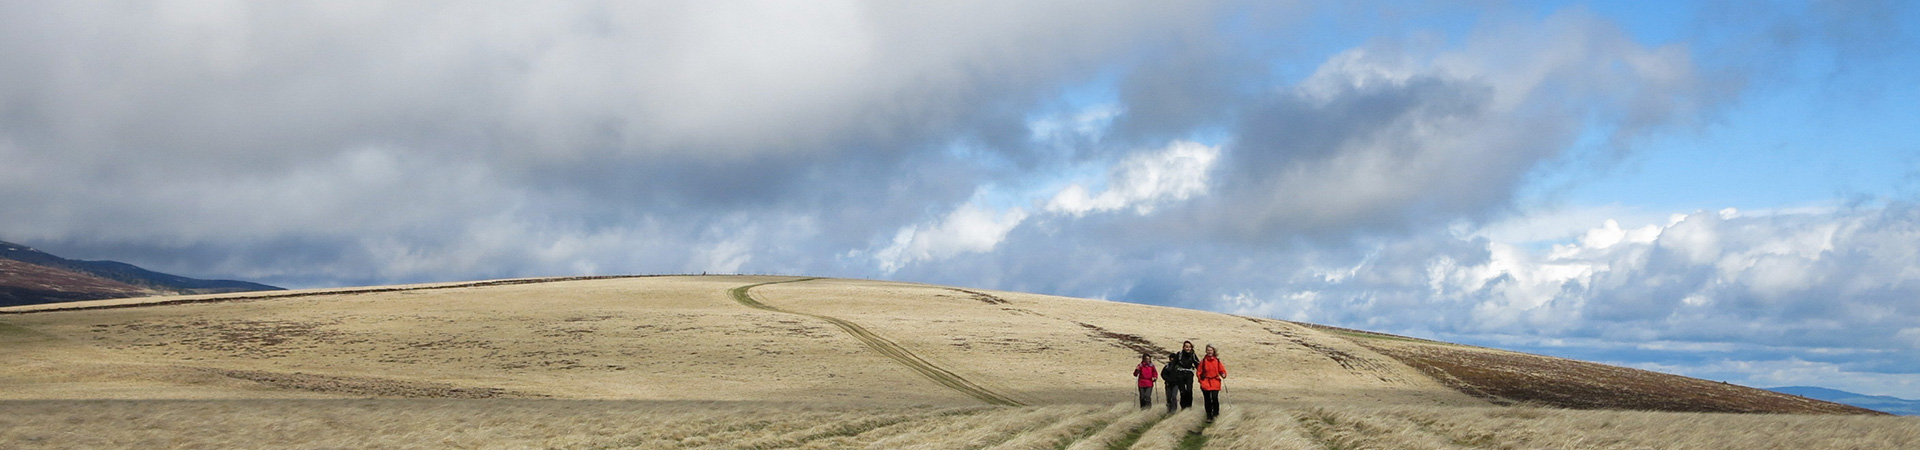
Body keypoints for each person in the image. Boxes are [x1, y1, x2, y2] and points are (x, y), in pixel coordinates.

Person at [1165, 341, 1199, 412]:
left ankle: (1189, 407)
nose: (1188, 348)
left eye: (1189, 347)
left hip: (1189, 374)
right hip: (1180, 375)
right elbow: (1173, 364)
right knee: (1182, 392)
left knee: (1189, 391)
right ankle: (1183, 408)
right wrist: (1170, 373)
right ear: (1183, 347)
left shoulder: (1193, 355)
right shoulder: (1179, 354)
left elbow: (1197, 364)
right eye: (1186, 347)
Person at [1198, 344, 1227, 421]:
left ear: (1214, 351)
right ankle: (1209, 415)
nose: (1209, 352)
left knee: (1214, 398)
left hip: (1215, 382)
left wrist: (1223, 374)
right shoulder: (1203, 361)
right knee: (1207, 399)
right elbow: (1199, 372)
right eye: (1208, 350)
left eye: (1211, 350)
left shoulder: (1217, 361)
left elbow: (1222, 370)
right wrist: (1201, 381)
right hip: (1206, 382)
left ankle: (1216, 414)